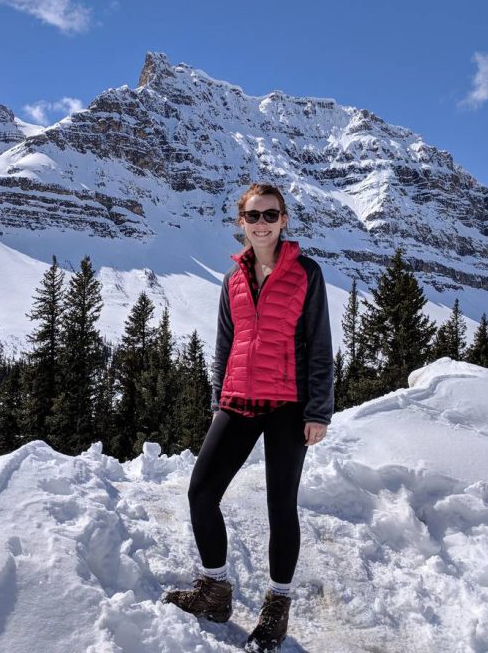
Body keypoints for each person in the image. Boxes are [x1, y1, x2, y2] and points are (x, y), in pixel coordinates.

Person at [162, 182, 334, 652]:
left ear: (284, 220)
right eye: (253, 216)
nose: (261, 224)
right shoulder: (234, 278)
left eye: (270, 215)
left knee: (281, 505)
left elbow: (320, 347)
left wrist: (318, 410)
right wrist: (220, 398)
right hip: (238, 400)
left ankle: (277, 606)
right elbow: (226, 343)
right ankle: (215, 591)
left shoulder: (306, 273)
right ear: (241, 223)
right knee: (201, 492)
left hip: (288, 405)